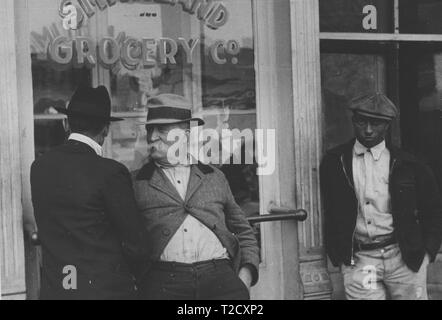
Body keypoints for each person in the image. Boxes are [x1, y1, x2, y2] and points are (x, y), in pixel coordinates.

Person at [132, 94, 260, 300]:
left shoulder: (214, 177)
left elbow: (244, 233)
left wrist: (244, 279)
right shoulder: (136, 182)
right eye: (149, 129)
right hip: (164, 283)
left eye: (162, 130)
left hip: (221, 280)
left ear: (186, 134)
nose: (153, 136)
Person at [320, 93, 442, 300]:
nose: (368, 130)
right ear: (353, 121)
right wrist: (339, 256)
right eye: (362, 122)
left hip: (404, 258)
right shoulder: (334, 162)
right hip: (360, 260)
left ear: (387, 125)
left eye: (376, 123)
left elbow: (433, 210)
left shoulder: (409, 164)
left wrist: (428, 253)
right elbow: (329, 209)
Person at [31, 86, 148, 300]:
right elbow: (136, 244)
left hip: (56, 291)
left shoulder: (39, 166)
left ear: (67, 124)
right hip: (104, 291)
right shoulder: (111, 172)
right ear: (106, 129)